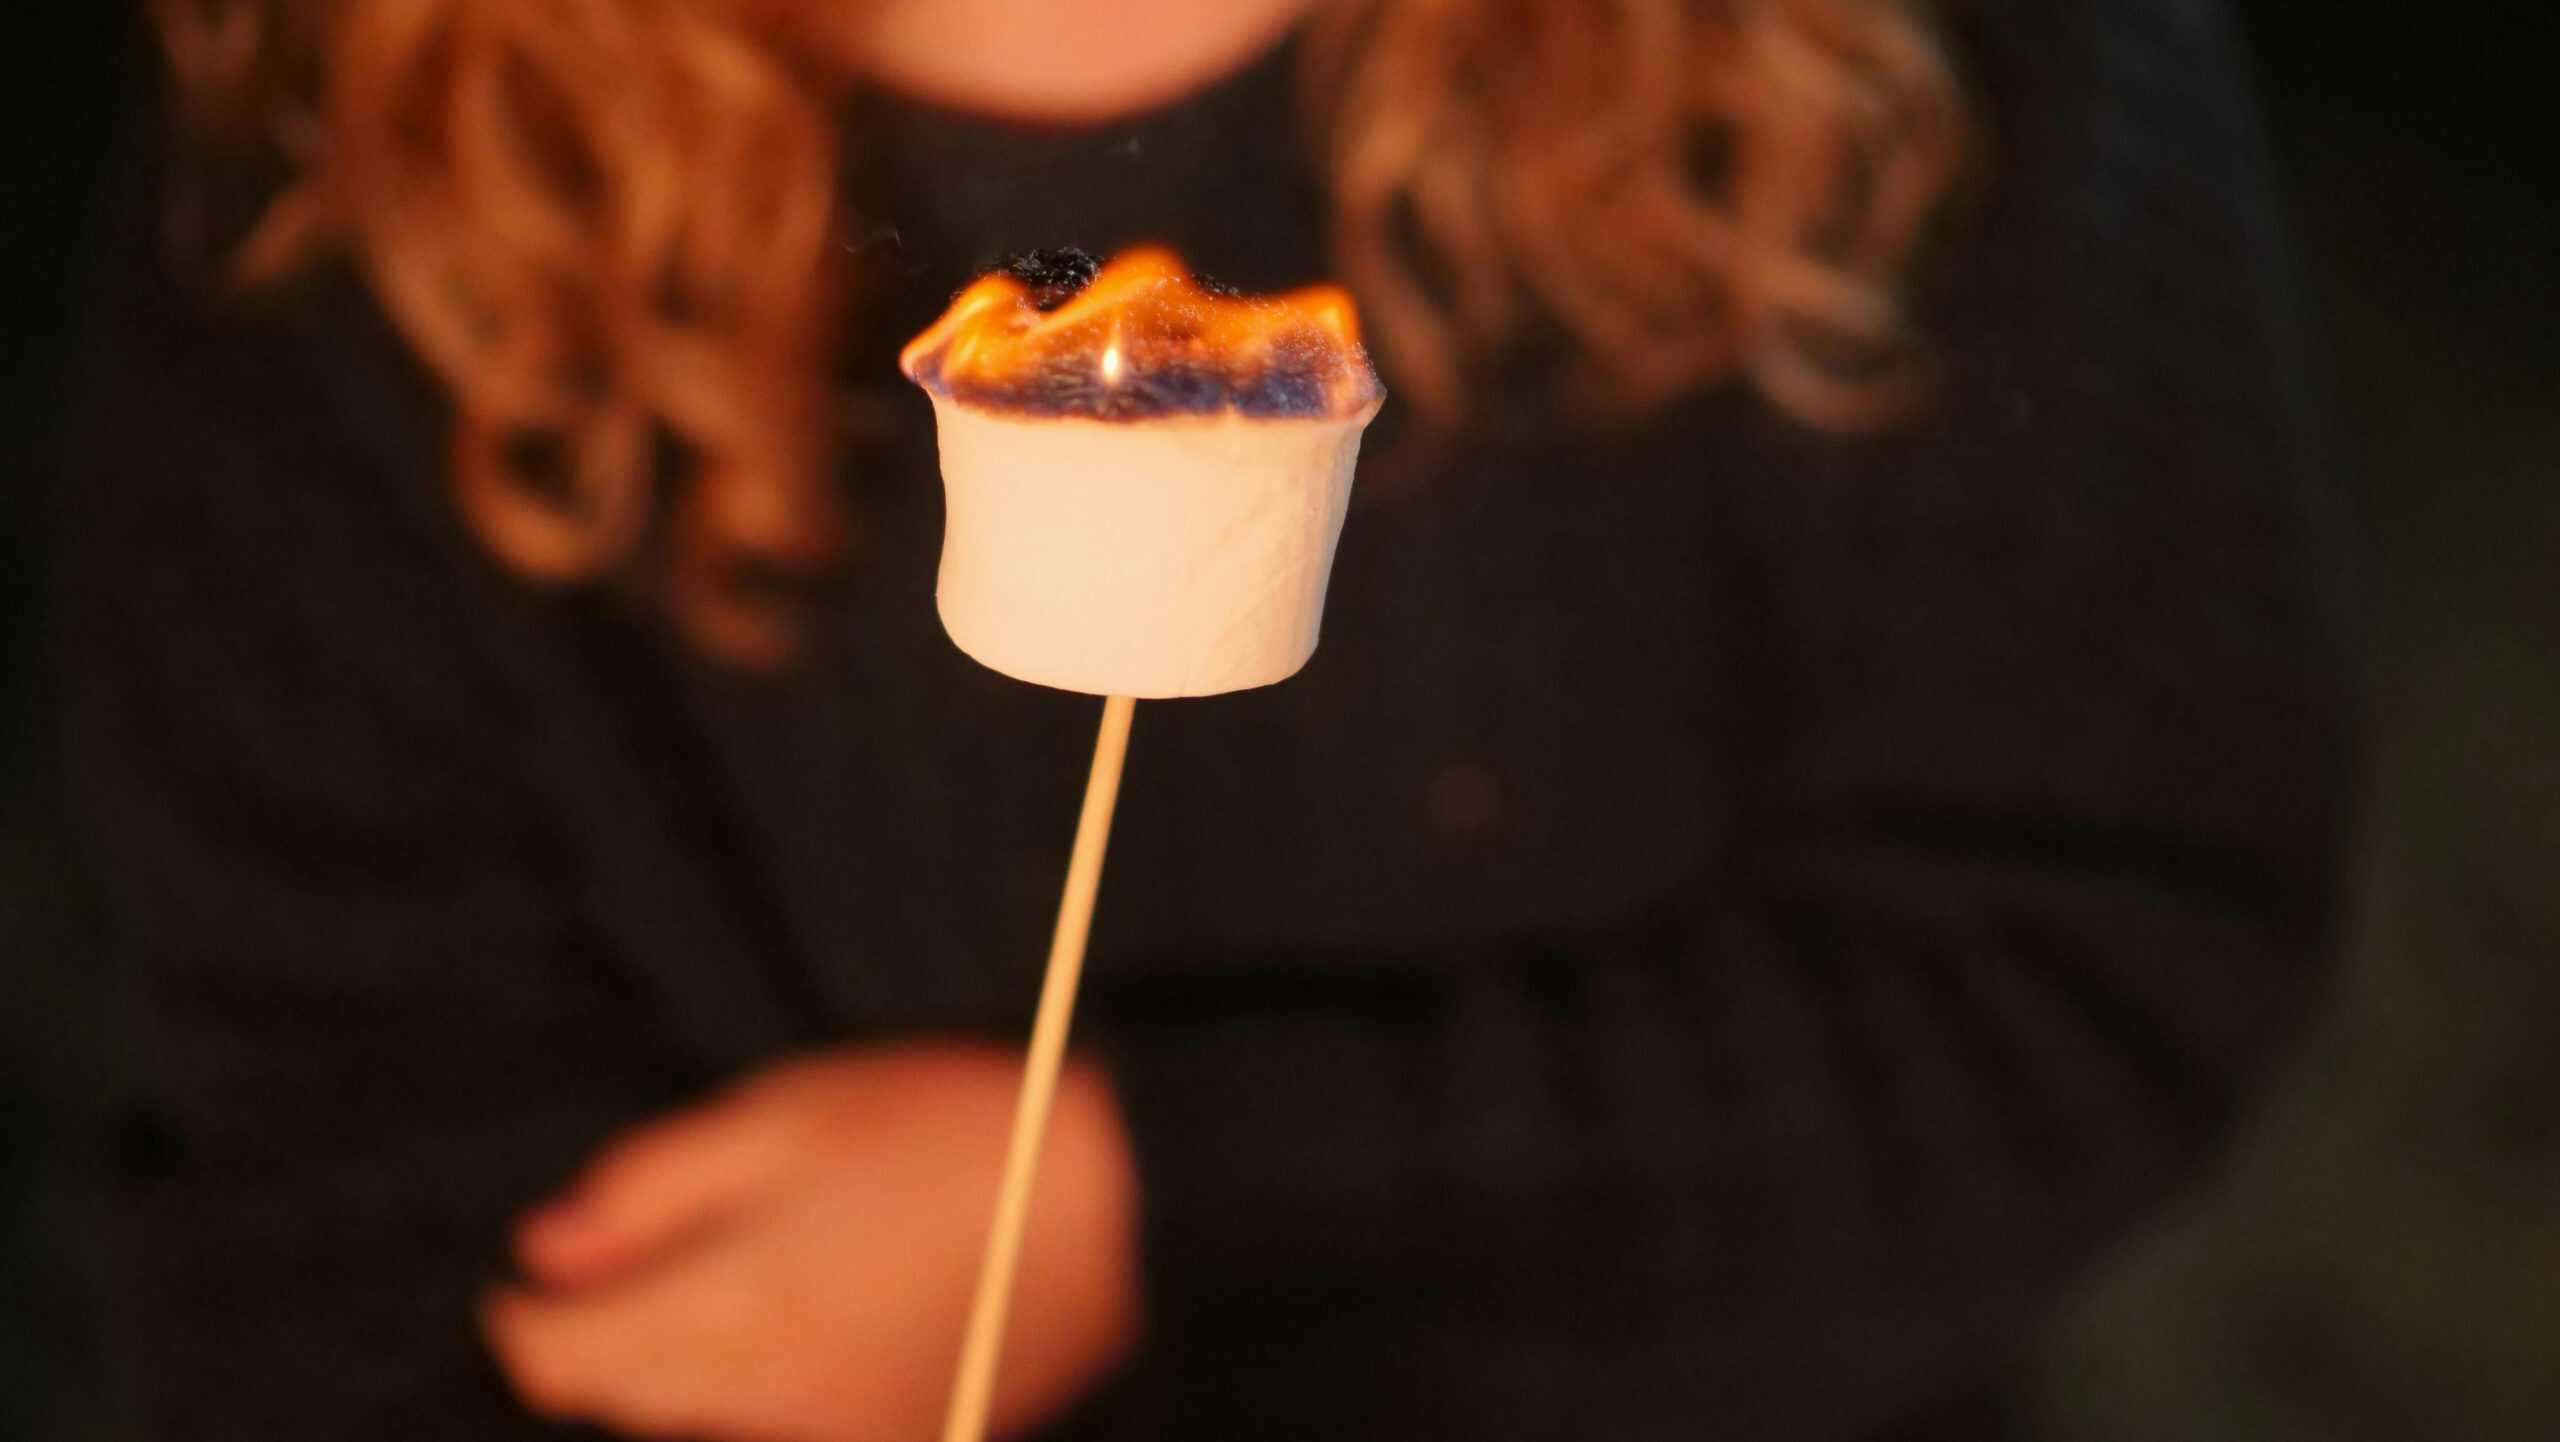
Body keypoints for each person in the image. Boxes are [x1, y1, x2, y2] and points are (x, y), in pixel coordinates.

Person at [55, 0, 2348, 1438]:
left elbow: (2092, 961)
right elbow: (305, 1202)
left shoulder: (1948, 64)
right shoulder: (336, 164)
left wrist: (1145, 1197)